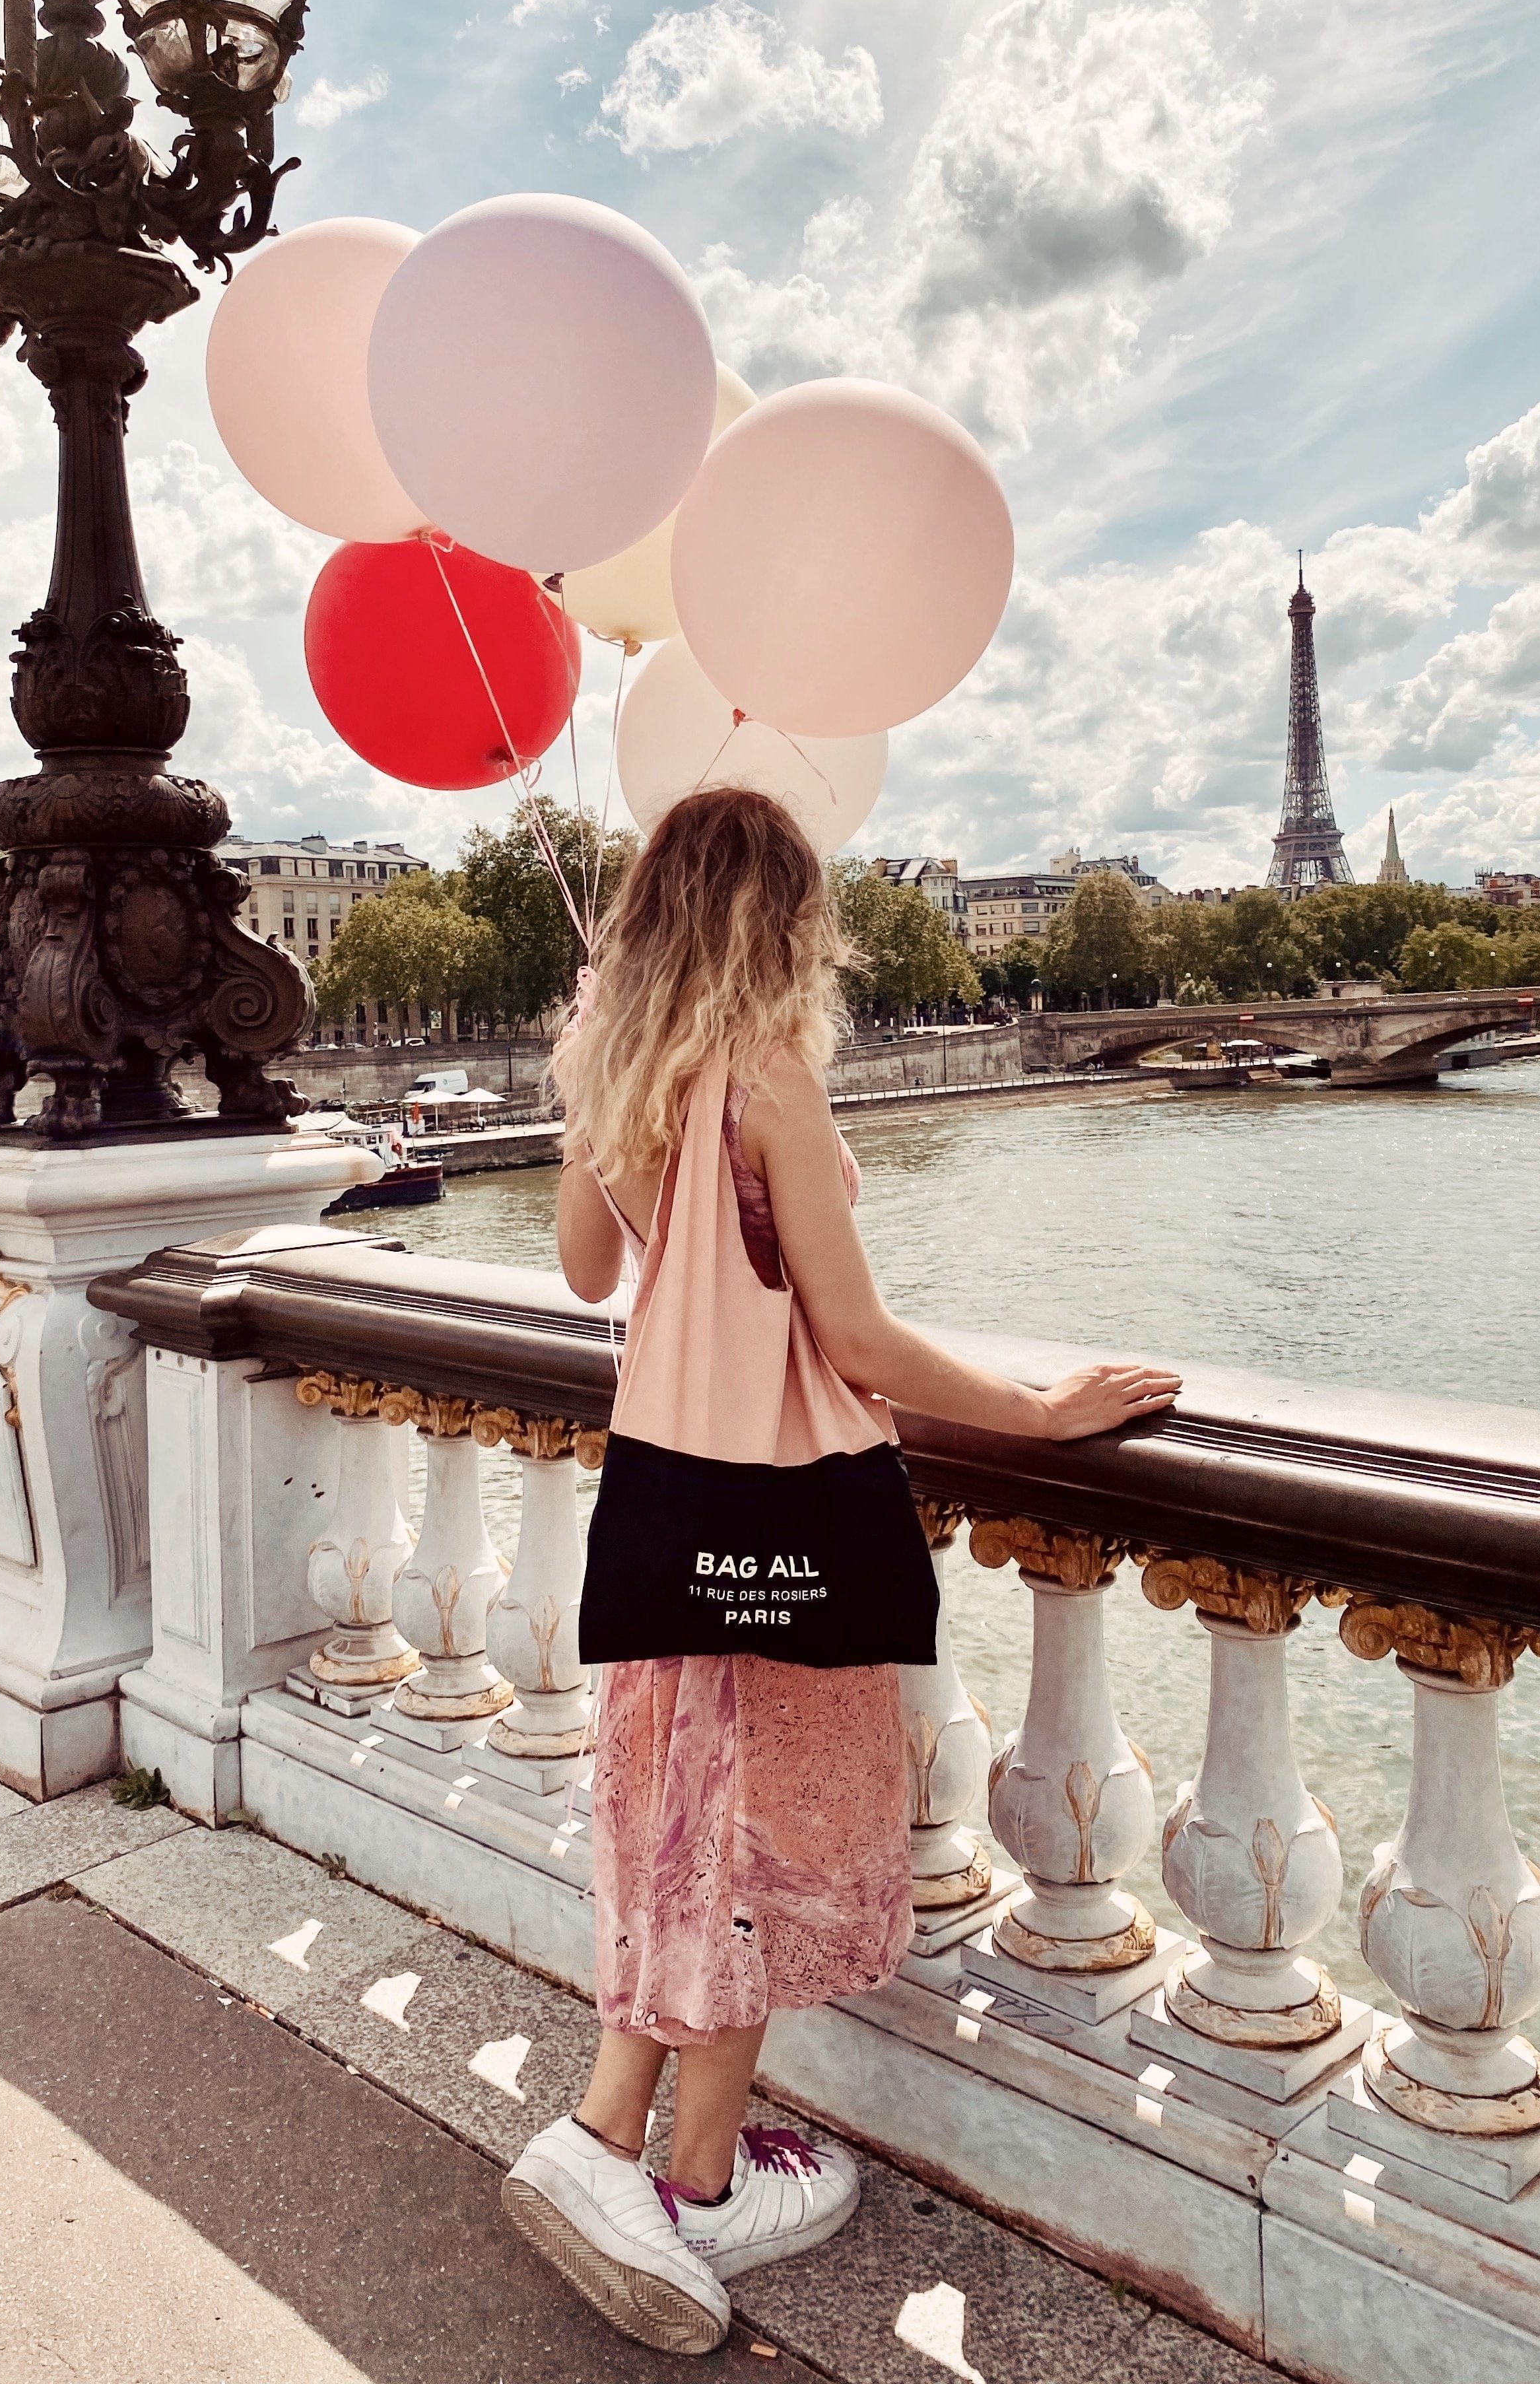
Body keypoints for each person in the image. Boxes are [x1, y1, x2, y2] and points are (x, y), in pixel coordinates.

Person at [503, 788, 1181, 2356]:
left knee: (682, 1824)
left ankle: (653, 2152)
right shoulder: (772, 1085)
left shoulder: (626, 1076)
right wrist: (1038, 1406)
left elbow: (587, 1273)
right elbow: (857, 1336)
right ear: (782, 920)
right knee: (750, 1851)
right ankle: (660, 2168)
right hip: (787, 1511)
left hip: (666, 1503)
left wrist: (590, 1080)